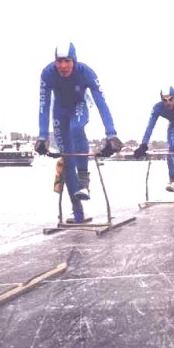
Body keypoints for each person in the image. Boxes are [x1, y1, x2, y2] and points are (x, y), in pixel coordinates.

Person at [36, 41, 122, 223]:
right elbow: (44, 104)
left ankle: (84, 181)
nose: (63, 66)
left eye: (67, 61)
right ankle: (78, 212)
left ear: (74, 61)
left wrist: (111, 134)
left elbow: (101, 102)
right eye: (59, 61)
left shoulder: (86, 73)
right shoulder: (47, 73)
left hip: (80, 105)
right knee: (67, 159)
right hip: (59, 111)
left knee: (76, 127)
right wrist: (43, 136)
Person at [133, 86, 174, 203]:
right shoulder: (158, 108)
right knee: (172, 150)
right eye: (164, 100)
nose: (168, 103)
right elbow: (150, 126)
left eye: (170, 99)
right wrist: (143, 144)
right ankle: (172, 179)